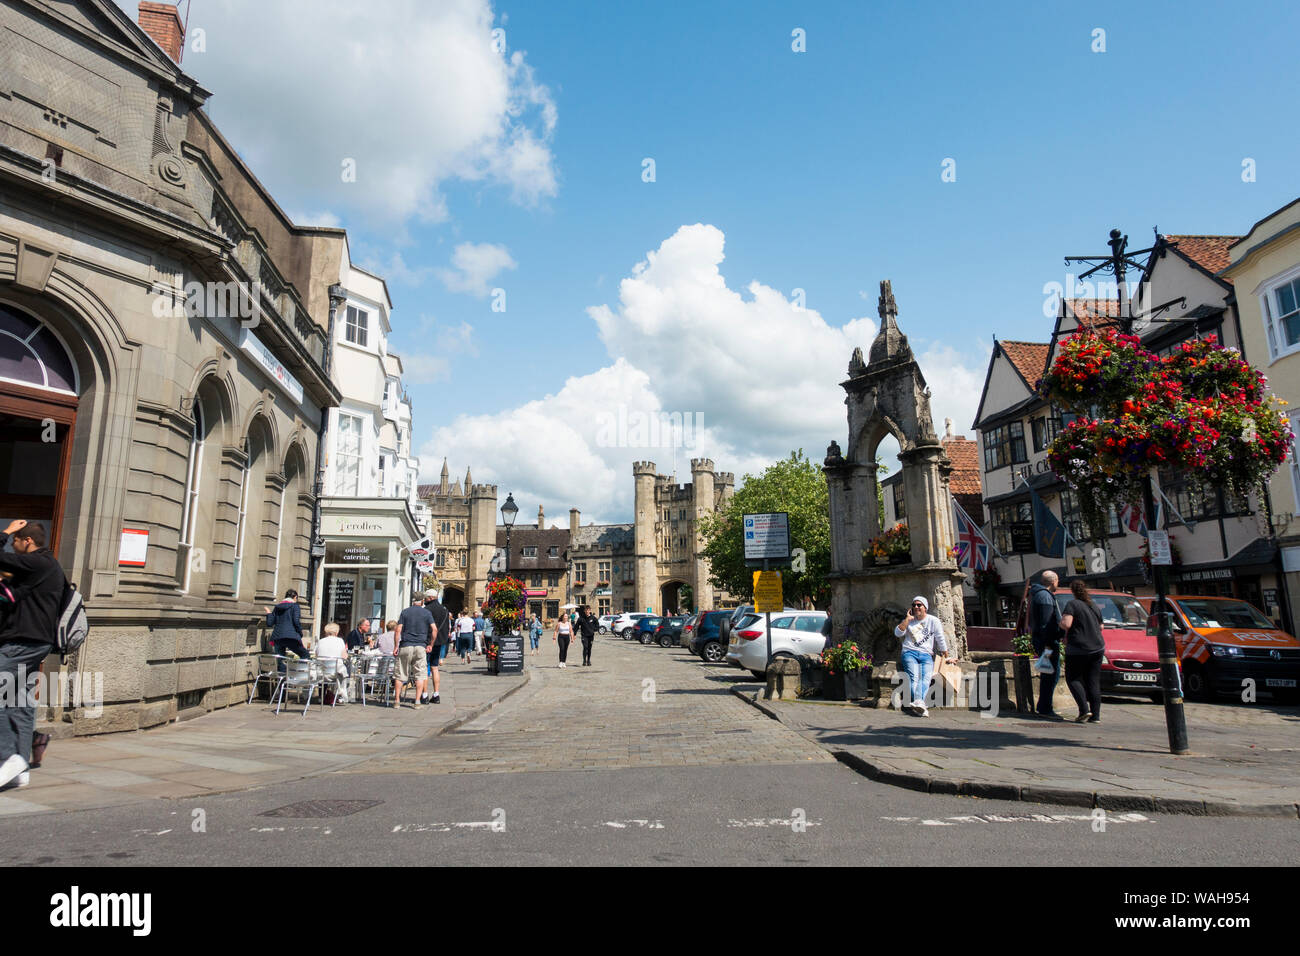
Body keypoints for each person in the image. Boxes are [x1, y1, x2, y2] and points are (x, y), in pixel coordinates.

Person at [0, 520, 63, 791]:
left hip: (20, 643)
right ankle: (21, 767)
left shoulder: (37, 563)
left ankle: (7, 759)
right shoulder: (50, 568)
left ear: (27, 541)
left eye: (16, 540)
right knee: (21, 703)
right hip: (37, 643)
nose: (13, 544)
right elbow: (16, 597)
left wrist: (5, 531)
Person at [893, 595, 953, 717]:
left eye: (919, 605)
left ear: (925, 607)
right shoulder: (909, 621)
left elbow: (940, 639)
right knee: (914, 677)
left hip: (926, 654)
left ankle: (919, 704)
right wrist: (907, 619)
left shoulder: (933, 621)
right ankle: (920, 702)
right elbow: (898, 633)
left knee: (926, 678)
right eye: (914, 605)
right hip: (909, 652)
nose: (916, 607)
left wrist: (946, 656)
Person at [1060, 580, 1106, 723]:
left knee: (1073, 678)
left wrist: (1059, 623)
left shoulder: (1072, 605)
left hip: (1078, 648)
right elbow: (1101, 627)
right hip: (1097, 647)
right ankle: (1096, 716)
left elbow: (1067, 624)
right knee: (1093, 680)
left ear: (1072, 591)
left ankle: (1084, 710)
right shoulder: (1093, 606)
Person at [1028, 570, 1065, 719]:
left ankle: (1044, 705)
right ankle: (1045, 707)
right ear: (1053, 582)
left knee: (1049, 674)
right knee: (1051, 674)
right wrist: (1053, 637)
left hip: (1044, 640)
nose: (1058, 583)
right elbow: (1046, 622)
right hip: (1047, 642)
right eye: (1057, 581)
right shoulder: (1045, 596)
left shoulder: (1040, 594)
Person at [393, 597, 434, 709]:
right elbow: (434, 629)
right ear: (421, 602)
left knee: (400, 674)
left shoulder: (405, 612)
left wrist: (396, 646)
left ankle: (397, 701)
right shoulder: (427, 613)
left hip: (405, 645)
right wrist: (431, 644)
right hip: (420, 646)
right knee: (420, 676)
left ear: (412, 601)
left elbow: (398, 630)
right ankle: (417, 702)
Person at [265, 589, 310, 664]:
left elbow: (269, 623)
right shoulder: (295, 606)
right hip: (291, 637)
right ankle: (298, 674)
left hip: (277, 637)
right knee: (305, 655)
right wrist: (300, 633)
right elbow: (296, 621)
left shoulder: (277, 607)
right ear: (295, 597)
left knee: (280, 660)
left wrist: (269, 613)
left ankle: (283, 675)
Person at [423, 590, 451, 702]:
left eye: (426, 598)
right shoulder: (444, 610)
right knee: (435, 668)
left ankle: (424, 695)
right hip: (439, 642)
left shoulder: (426, 610)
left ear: (429, 598)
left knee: (424, 668)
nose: (425, 600)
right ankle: (436, 694)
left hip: (427, 642)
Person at [315, 622, 351, 704]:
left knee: (322, 668)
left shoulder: (320, 641)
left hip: (321, 672)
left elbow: (316, 656)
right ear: (336, 632)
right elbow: (344, 656)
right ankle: (341, 694)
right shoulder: (340, 641)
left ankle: (321, 696)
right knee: (346, 667)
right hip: (335, 672)